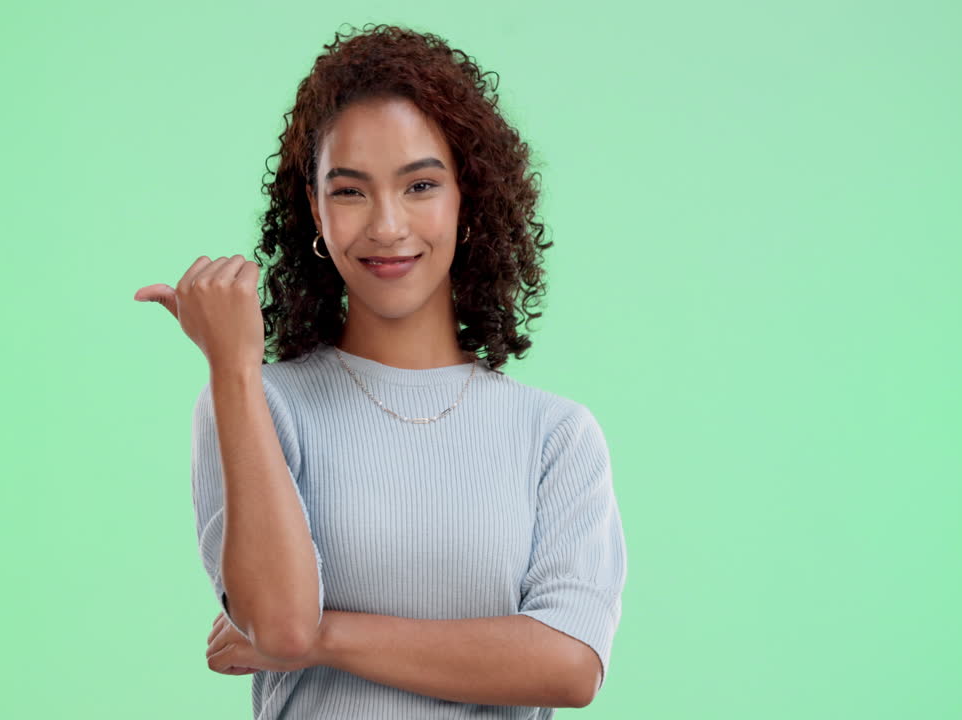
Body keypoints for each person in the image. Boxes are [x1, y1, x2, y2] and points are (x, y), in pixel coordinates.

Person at [134, 23, 627, 719]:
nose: (388, 227)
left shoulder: (554, 434)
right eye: (350, 191)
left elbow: (569, 665)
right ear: (314, 208)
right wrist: (235, 369)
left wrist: (328, 637)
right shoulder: (256, 406)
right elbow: (278, 623)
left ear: (467, 196)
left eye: (420, 184)